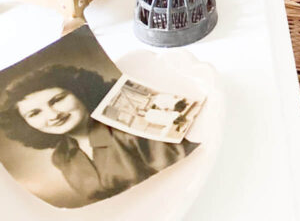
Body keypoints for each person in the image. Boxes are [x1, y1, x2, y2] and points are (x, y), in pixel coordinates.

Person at [0, 65, 193, 205]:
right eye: (34, 113)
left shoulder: (129, 131)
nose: (53, 115)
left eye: (57, 100)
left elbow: (180, 179)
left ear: (80, 92)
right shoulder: (61, 157)